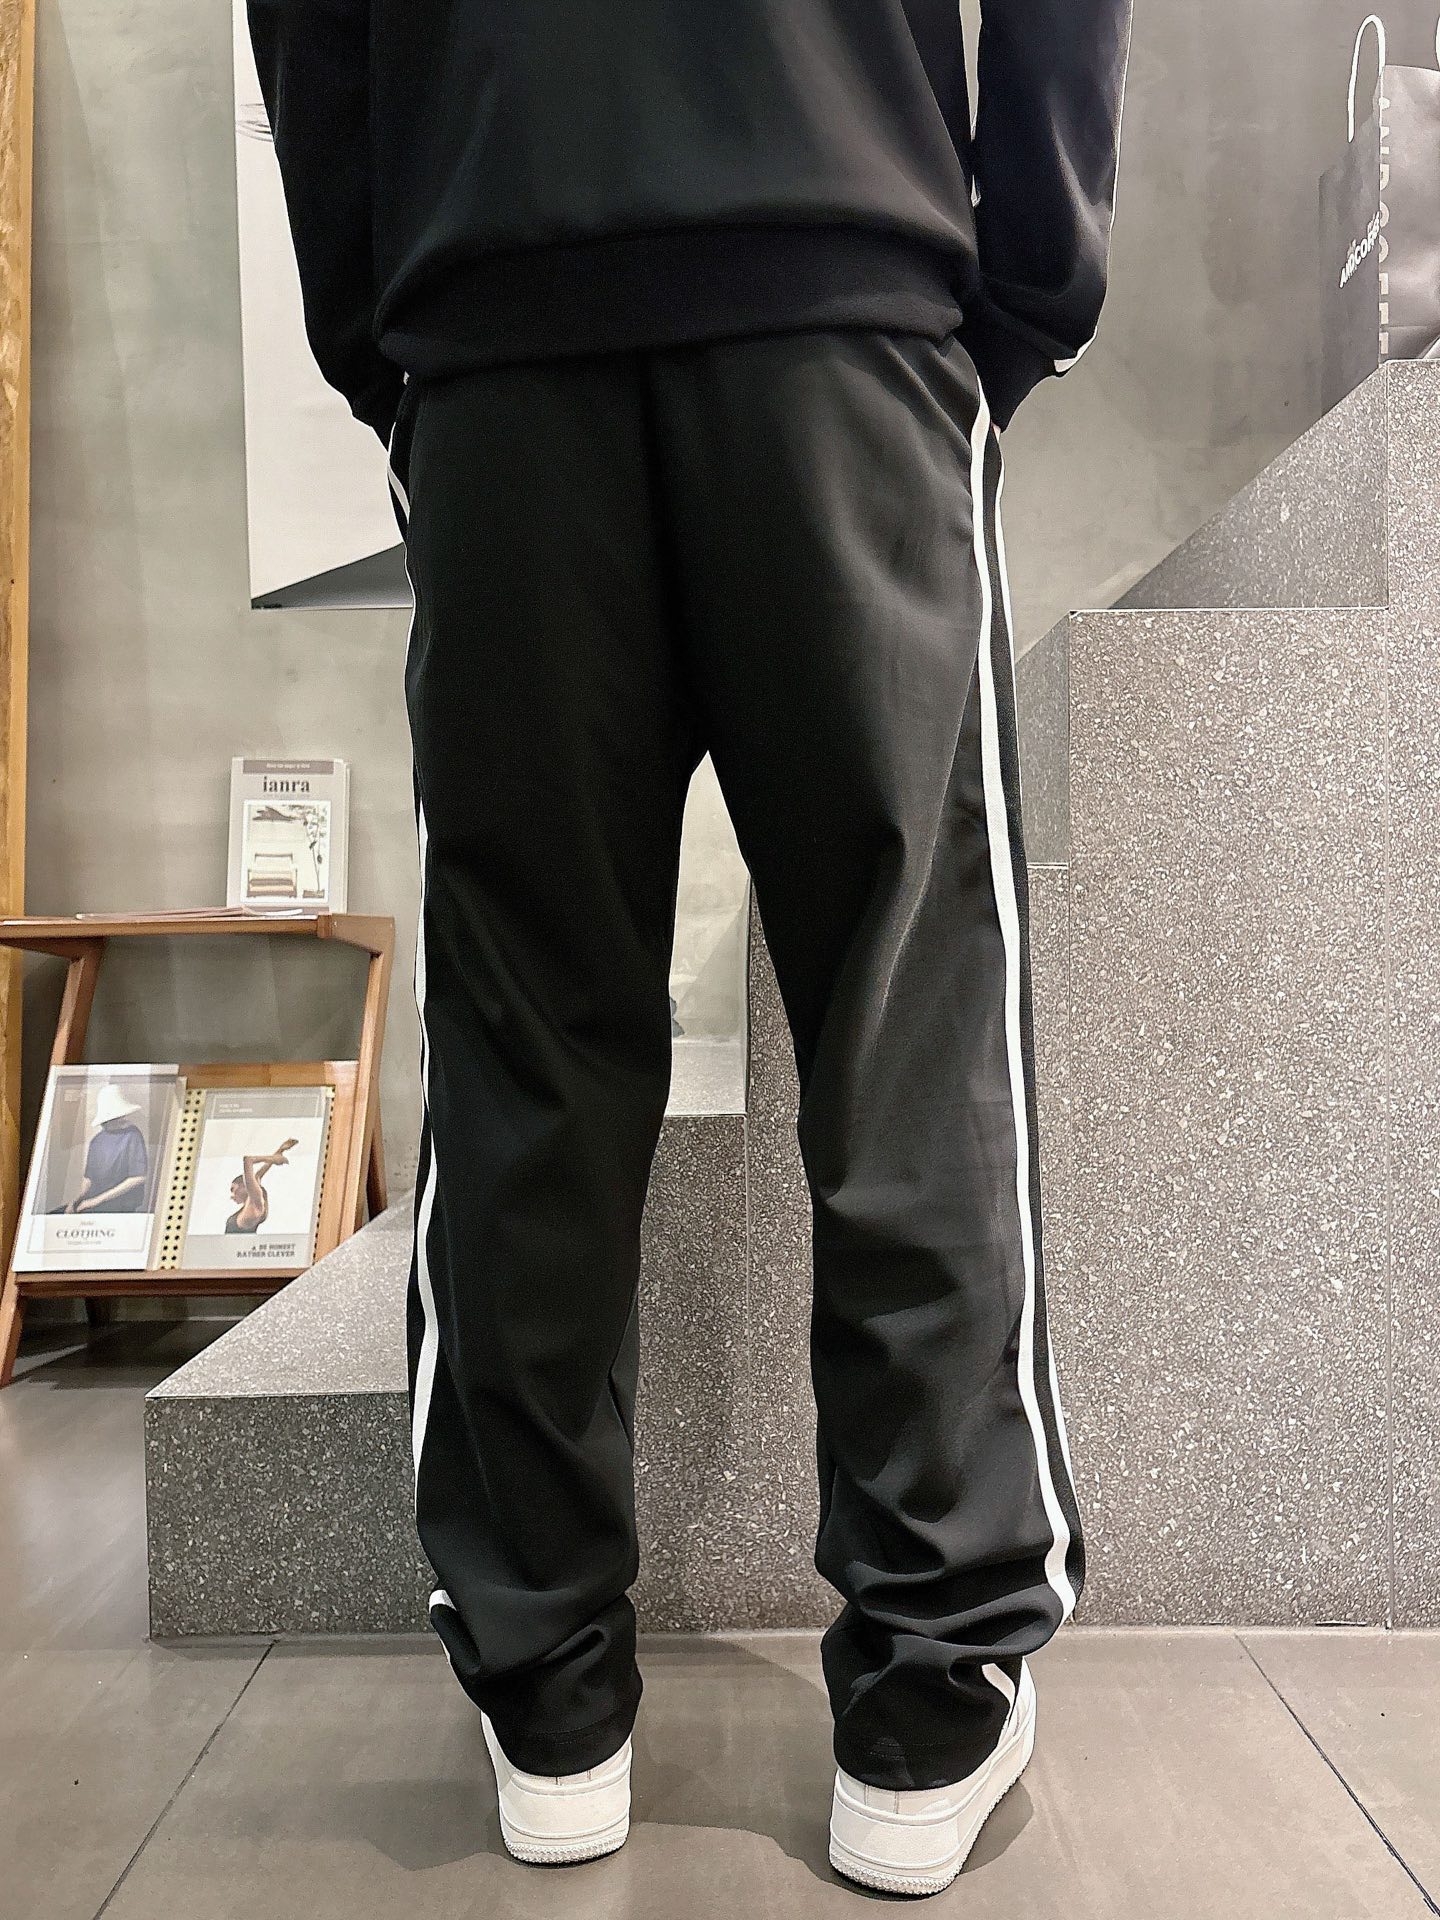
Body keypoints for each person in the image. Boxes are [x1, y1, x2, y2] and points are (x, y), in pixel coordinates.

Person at [249, 0, 1130, 1894]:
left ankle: (549, 1692)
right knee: (908, 1024)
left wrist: (382, 314)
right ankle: (928, 1704)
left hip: (497, 308)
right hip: (843, 290)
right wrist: (1030, 281)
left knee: (527, 1045)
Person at [58, 1084, 149, 1215]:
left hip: (121, 1207)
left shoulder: (132, 1135)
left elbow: (138, 1177)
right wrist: (75, 1201)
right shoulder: (97, 1141)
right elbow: (89, 1179)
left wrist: (96, 1201)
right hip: (94, 1205)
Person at [223, 1138, 300, 1235]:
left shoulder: (255, 1204)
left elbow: (248, 1160)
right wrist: (280, 1150)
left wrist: (273, 1159)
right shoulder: (252, 1203)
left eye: (233, 1189)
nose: (232, 1195)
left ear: (244, 1185)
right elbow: (258, 1176)